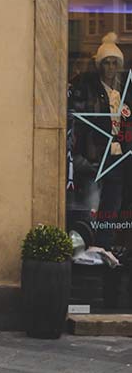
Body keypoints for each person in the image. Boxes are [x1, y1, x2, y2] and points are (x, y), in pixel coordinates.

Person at [69, 32, 129, 249]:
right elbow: (83, 118)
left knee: (113, 203)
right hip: (96, 154)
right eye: (107, 63)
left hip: (119, 155)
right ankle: (87, 243)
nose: (111, 68)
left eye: (115, 63)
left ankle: (106, 244)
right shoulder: (90, 89)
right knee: (91, 203)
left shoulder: (123, 91)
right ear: (100, 65)